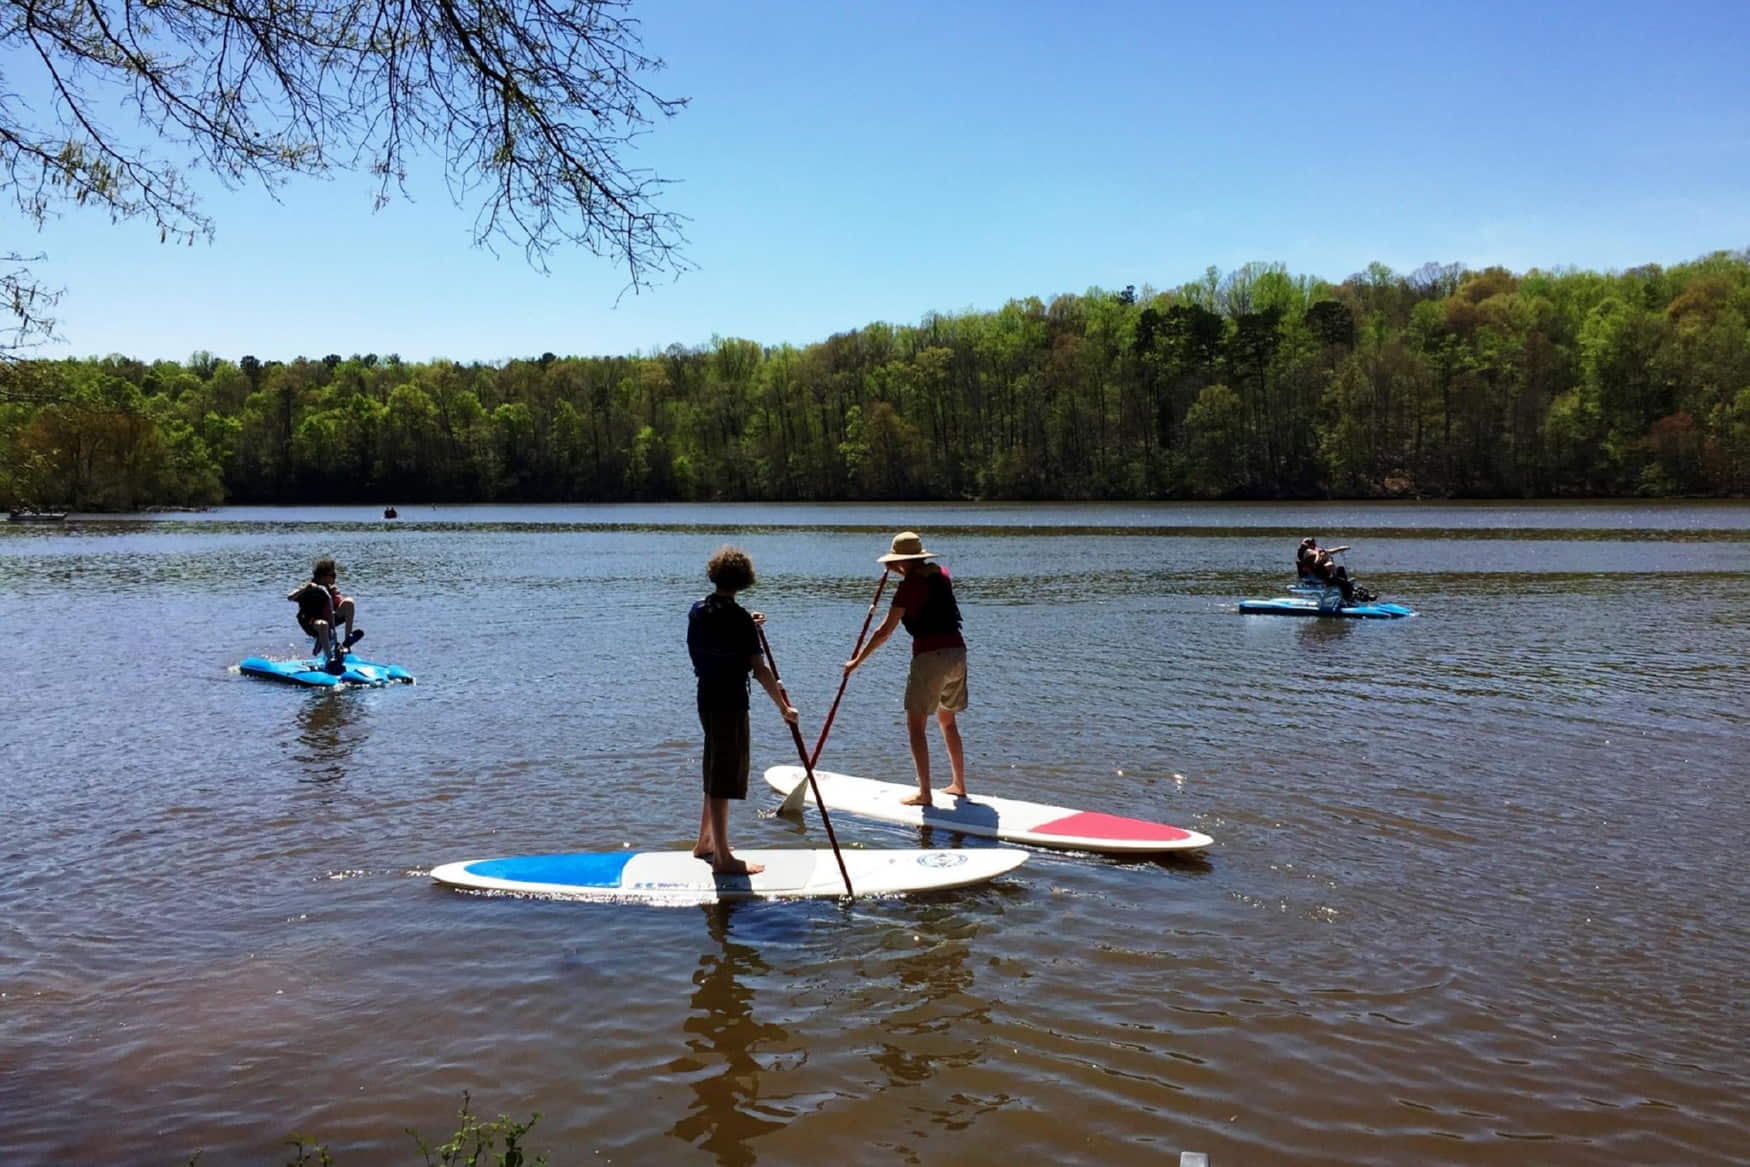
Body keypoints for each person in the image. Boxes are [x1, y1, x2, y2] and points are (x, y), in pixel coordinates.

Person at [687, 545, 798, 876]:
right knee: (723, 774)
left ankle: (705, 842)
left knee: (713, 764)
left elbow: (720, 624)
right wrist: (784, 707)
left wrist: (749, 625)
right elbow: (760, 669)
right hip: (730, 701)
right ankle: (722, 858)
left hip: (705, 696)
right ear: (745, 580)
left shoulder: (698, 610)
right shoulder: (739, 620)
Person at [843, 531, 968, 807]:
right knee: (948, 721)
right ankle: (959, 784)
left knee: (916, 727)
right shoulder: (942, 573)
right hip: (957, 652)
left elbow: (884, 631)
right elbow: (922, 584)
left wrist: (856, 663)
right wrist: (902, 571)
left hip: (930, 656)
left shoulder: (908, 587)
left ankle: (924, 794)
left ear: (899, 561)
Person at [287, 557, 363, 667]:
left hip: (329, 618)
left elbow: (338, 606)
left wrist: (336, 596)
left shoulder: (331, 589)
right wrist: (305, 589)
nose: (335, 578)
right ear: (322, 577)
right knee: (323, 624)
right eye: (332, 575)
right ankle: (329, 659)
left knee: (349, 602)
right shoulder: (310, 588)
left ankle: (347, 643)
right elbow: (290, 597)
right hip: (311, 623)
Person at [1299, 538, 1354, 602]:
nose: (1302, 547)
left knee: (1341, 570)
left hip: (1323, 575)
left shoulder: (1316, 551)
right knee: (1343, 583)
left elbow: (1328, 551)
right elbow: (1316, 553)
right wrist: (1318, 555)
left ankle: (1348, 597)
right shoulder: (1307, 551)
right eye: (1303, 546)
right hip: (1316, 577)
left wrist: (1340, 548)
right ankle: (1348, 600)